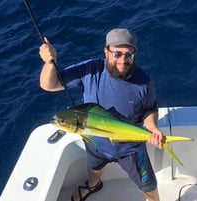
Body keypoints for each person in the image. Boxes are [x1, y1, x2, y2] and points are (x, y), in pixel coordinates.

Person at [39, 28, 163, 201]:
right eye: (117, 53)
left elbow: (150, 109)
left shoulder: (144, 81)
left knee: (147, 185)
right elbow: (49, 85)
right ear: (106, 51)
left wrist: (152, 127)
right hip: (95, 143)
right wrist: (49, 63)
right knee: (94, 169)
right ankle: (93, 184)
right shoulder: (89, 70)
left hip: (130, 148)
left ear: (135, 53)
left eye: (129, 54)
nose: (123, 60)